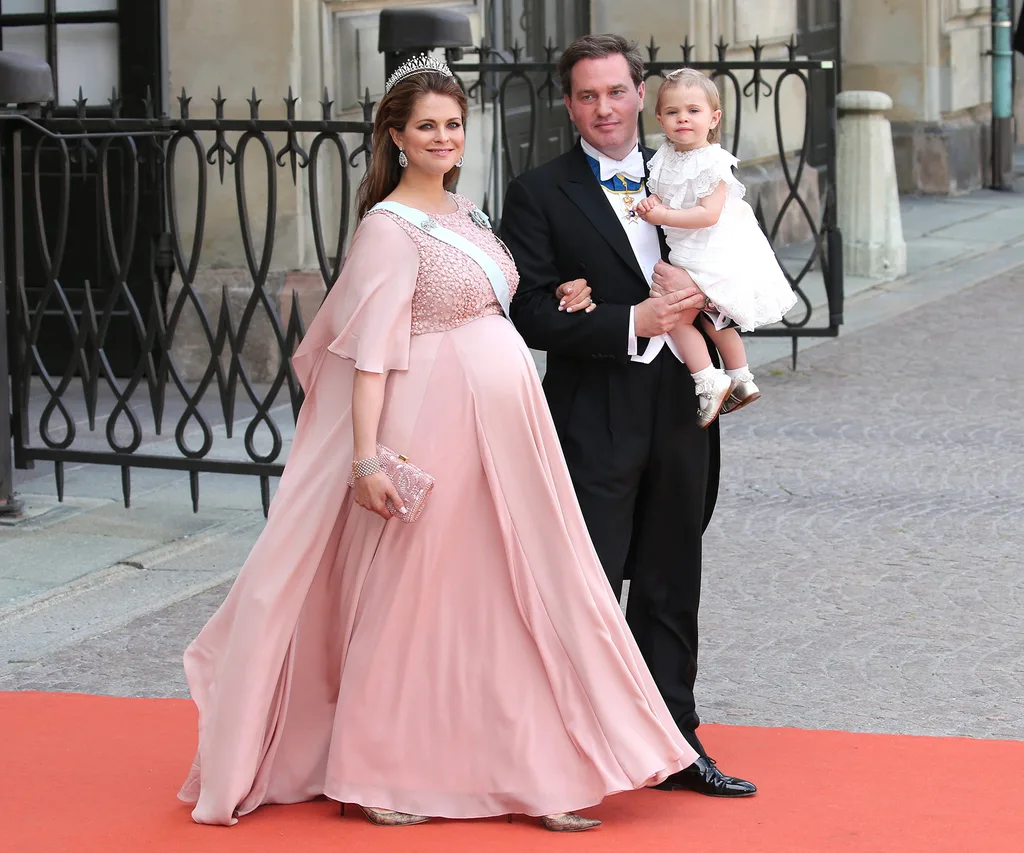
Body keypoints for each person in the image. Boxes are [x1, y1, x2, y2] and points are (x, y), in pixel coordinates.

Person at [177, 54, 700, 832]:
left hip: (509, 435)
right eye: (426, 126)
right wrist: (367, 459)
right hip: (433, 427)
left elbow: (501, 301)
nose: (443, 138)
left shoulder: (471, 214)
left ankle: (537, 772)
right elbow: (370, 357)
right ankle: (375, 769)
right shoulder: (387, 229)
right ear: (396, 135)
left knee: (512, 596)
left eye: (453, 124)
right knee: (414, 602)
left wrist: (567, 293)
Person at [501, 34, 756, 797]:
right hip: (594, 409)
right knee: (588, 581)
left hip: (683, 403)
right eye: (587, 95)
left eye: (616, 92)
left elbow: (737, 259)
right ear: (568, 104)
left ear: (641, 94)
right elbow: (529, 312)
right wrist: (626, 320)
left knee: (672, 575)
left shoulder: (691, 167)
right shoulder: (537, 192)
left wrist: (708, 299)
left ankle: (676, 743)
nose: (604, 108)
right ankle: (571, 747)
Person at [635, 68, 797, 427]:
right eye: (673, 112)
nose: (683, 119)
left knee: (674, 319)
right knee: (713, 318)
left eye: (693, 111)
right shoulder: (665, 156)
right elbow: (664, 191)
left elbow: (708, 214)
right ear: (659, 118)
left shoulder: (713, 161)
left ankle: (709, 380)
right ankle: (741, 378)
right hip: (687, 248)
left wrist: (663, 215)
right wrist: (652, 203)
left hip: (710, 251)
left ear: (713, 118)